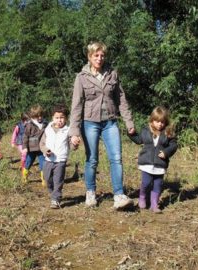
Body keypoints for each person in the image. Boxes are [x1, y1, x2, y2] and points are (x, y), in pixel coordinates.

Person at [69, 41, 135, 210]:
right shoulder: (81, 77)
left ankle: (119, 195)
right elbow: (76, 106)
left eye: (102, 55)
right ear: (89, 57)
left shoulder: (112, 74)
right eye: (96, 55)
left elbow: (121, 100)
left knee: (117, 158)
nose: (99, 58)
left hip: (110, 122)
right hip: (89, 123)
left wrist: (129, 122)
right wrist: (74, 132)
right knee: (92, 160)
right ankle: (90, 193)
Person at [128, 106, 178, 213]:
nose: (160, 124)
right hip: (146, 163)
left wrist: (166, 152)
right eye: (157, 121)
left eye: (162, 122)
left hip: (160, 164)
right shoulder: (146, 131)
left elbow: (173, 146)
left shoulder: (167, 133)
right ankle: (142, 196)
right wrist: (131, 134)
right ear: (152, 120)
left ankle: (154, 204)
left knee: (158, 185)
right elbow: (138, 140)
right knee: (146, 183)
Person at [40, 104, 75, 209]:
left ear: (66, 118)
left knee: (58, 180)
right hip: (48, 159)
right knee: (47, 179)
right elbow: (41, 144)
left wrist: (75, 143)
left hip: (60, 160)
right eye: (57, 118)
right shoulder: (47, 129)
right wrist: (46, 150)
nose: (59, 120)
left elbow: (71, 145)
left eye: (62, 118)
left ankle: (56, 199)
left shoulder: (68, 131)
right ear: (52, 118)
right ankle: (53, 192)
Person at [22, 105, 48, 185]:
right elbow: (25, 136)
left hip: (42, 148)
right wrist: (25, 147)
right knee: (28, 162)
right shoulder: (29, 125)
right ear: (33, 116)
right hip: (31, 149)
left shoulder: (45, 124)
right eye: (37, 116)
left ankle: (44, 179)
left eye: (41, 115)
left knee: (43, 163)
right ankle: (24, 176)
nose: (40, 117)